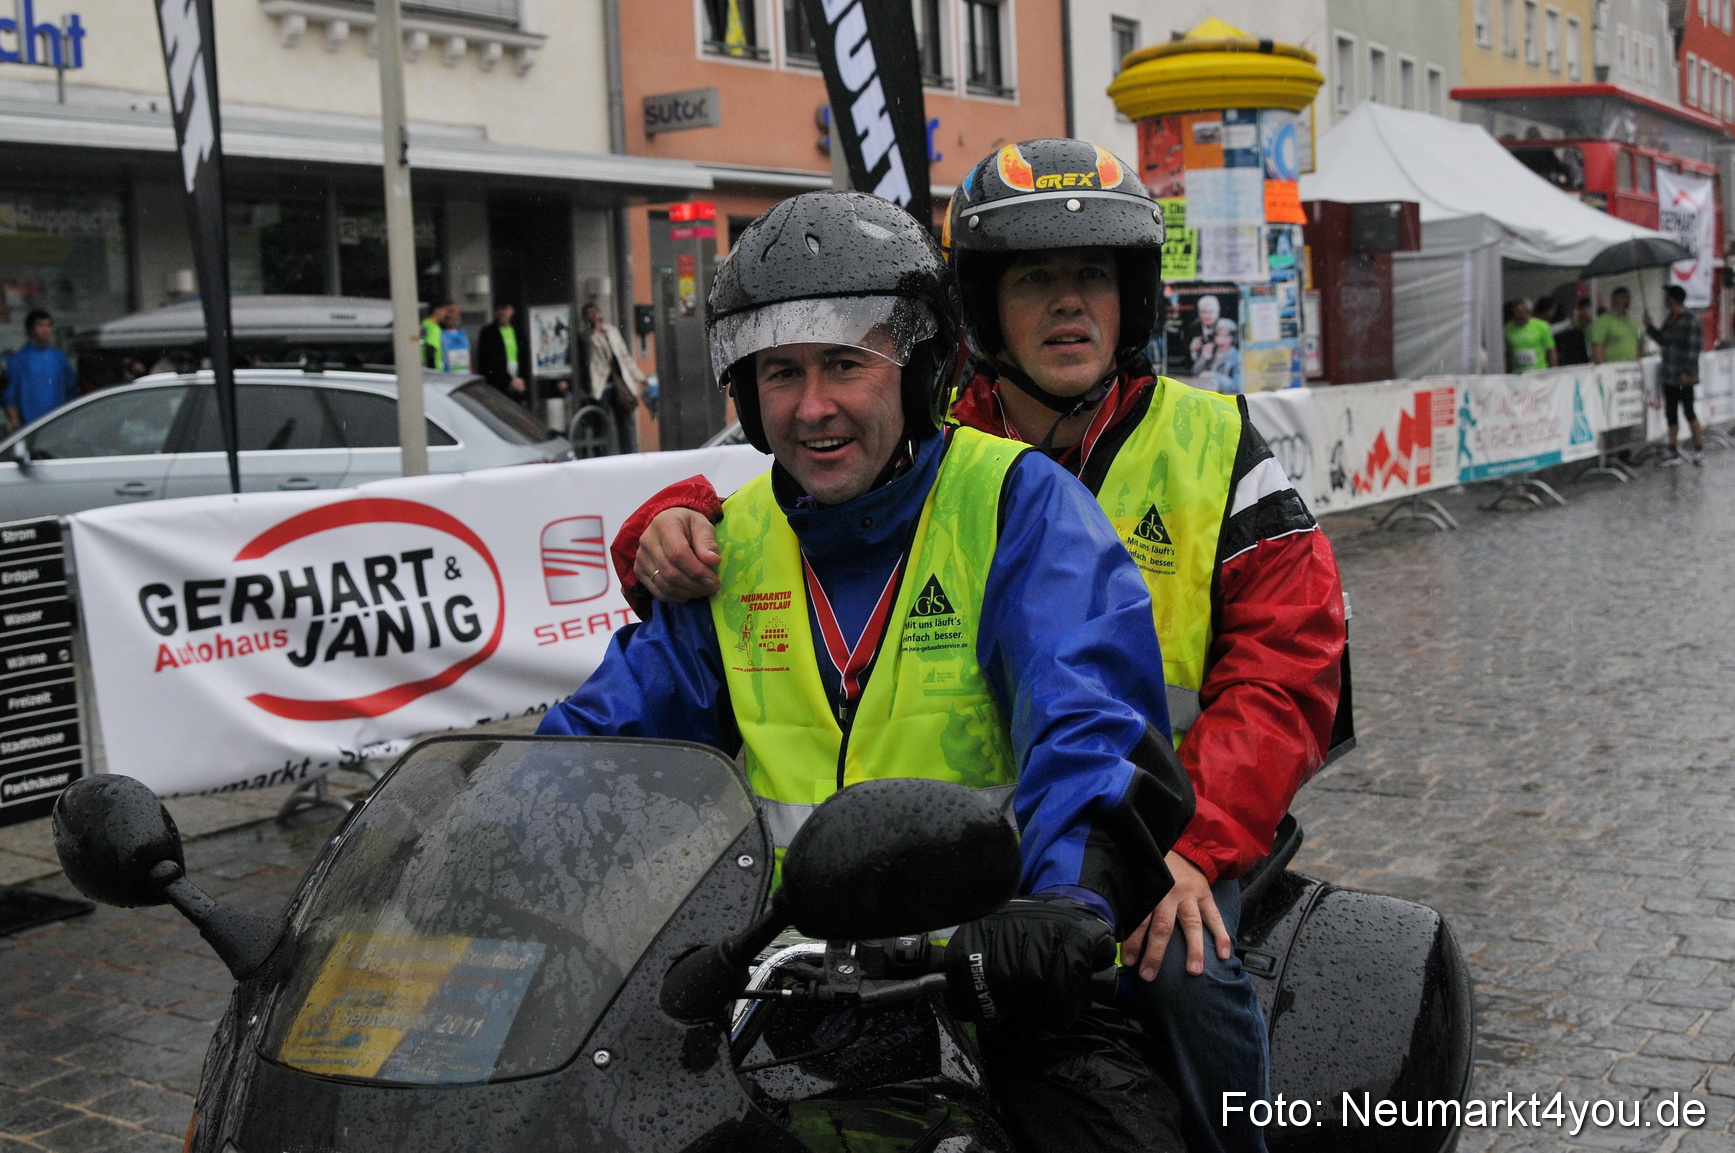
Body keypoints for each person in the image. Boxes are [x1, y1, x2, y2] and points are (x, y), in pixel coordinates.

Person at [614, 138, 1347, 1153]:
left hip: (1163, 823)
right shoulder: (925, 419)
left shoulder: (1214, 444)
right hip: (899, 902)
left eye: (1091, 278)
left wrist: (1184, 849)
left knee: (1185, 974)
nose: (1066, 306)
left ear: (1131, 298)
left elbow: (1285, 673)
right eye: (1034, 281)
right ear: (974, 320)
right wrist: (667, 522)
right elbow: (797, 486)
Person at [540, 189, 1196, 1151]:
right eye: (781, 373)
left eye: (845, 364)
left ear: (920, 368)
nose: (813, 406)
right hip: (777, 986)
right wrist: (480, 845)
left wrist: (1061, 902)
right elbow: (609, 739)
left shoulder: (1017, 504)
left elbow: (1087, 717)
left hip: (995, 978)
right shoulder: (729, 547)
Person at [1645, 284, 1706, 465]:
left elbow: (1694, 348)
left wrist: (1688, 371)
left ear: (1673, 299)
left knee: (1689, 412)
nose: (1665, 300)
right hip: (1669, 375)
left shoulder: (1690, 319)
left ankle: (1699, 449)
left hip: (1682, 376)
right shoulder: (1671, 318)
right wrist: (1650, 328)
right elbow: (1663, 340)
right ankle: (1673, 450)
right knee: (1671, 413)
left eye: (1667, 296)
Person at [582, 302, 647, 453]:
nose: (594, 316)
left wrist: (639, 376)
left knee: (625, 422)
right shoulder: (587, 336)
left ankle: (628, 454)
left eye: (595, 312)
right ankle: (602, 456)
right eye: (590, 313)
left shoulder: (611, 331)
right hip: (600, 385)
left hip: (619, 383)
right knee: (602, 424)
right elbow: (586, 360)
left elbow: (624, 356)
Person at [4, 310, 77, 430]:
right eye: (40, 325)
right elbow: (8, 395)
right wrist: (14, 420)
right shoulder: (18, 360)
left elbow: (71, 389)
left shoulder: (59, 358)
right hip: (30, 428)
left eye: (48, 325)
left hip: (60, 425)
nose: (46, 329)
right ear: (30, 329)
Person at [475, 302, 528, 404]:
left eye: (505, 309)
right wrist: (508, 380)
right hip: (497, 385)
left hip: (518, 384)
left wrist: (522, 379)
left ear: (512, 311)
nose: (502, 312)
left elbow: (524, 359)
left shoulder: (518, 332)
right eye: (499, 309)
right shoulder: (488, 332)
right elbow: (489, 361)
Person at [1590, 287, 1643, 364]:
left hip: (1632, 368)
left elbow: (1640, 345)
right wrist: (1602, 367)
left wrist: (1639, 363)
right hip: (1613, 369)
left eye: (1628, 298)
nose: (1626, 301)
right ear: (1613, 301)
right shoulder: (1604, 321)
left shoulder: (1635, 324)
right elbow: (1597, 346)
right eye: (1622, 298)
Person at [1504, 298, 1556, 373]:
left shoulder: (1542, 326)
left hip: (1538, 373)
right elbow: (1506, 354)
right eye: (1515, 313)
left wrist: (1553, 371)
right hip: (1517, 375)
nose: (1518, 315)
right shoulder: (1508, 328)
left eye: (1521, 312)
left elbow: (1551, 350)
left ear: (1529, 312)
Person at [421, 301, 471, 372]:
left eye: (451, 311)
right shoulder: (437, 330)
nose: (447, 315)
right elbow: (430, 350)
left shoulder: (462, 333)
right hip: (444, 376)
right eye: (446, 311)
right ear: (437, 310)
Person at [1554, 296, 1592, 366]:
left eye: (1587, 309)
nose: (1585, 312)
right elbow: (1553, 329)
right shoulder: (1574, 324)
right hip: (1580, 360)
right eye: (1582, 310)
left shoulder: (1597, 325)